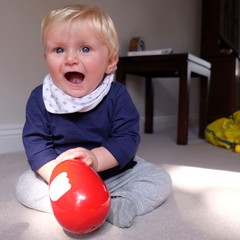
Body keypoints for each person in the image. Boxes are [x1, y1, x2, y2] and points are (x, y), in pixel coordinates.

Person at [16, 3, 172, 229]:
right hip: (64, 178)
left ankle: (118, 203)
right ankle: (74, 207)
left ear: (110, 61)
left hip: (113, 174)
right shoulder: (40, 98)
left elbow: (126, 138)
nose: (70, 59)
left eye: (85, 49)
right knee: (25, 186)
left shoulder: (116, 95)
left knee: (159, 179)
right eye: (58, 50)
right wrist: (57, 176)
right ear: (46, 57)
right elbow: (36, 144)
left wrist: (96, 159)